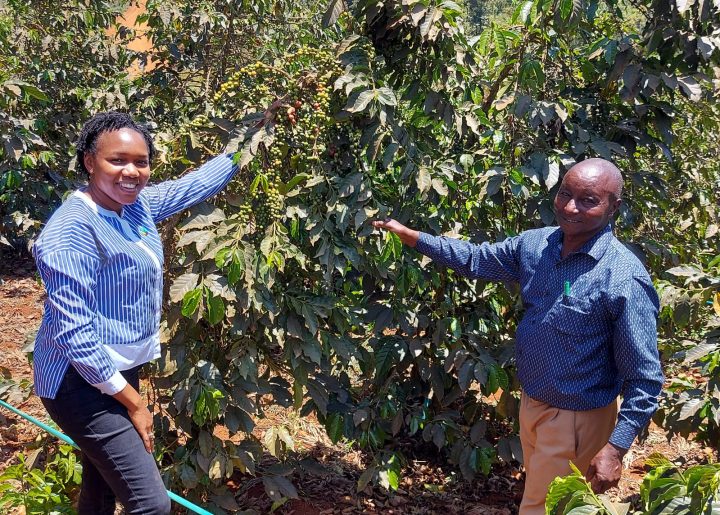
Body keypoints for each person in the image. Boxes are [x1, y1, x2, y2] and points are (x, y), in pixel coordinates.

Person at [372, 158, 663, 514]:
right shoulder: (537, 245)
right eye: (565, 194)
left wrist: (616, 447)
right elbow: (477, 260)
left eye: (588, 200)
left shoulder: (623, 278)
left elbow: (645, 378)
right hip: (534, 404)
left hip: (577, 417)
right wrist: (415, 238)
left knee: (541, 509)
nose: (571, 207)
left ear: (614, 207)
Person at [32, 111, 240, 514]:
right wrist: (134, 404)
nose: (132, 171)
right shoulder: (70, 231)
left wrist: (249, 141)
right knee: (151, 505)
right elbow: (74, 335)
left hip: (116, 371)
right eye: (117, 160)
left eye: (141, 162)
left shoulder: (135, 206)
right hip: (78, 383)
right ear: (90, 162)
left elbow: (191, 186)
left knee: (102, 487)